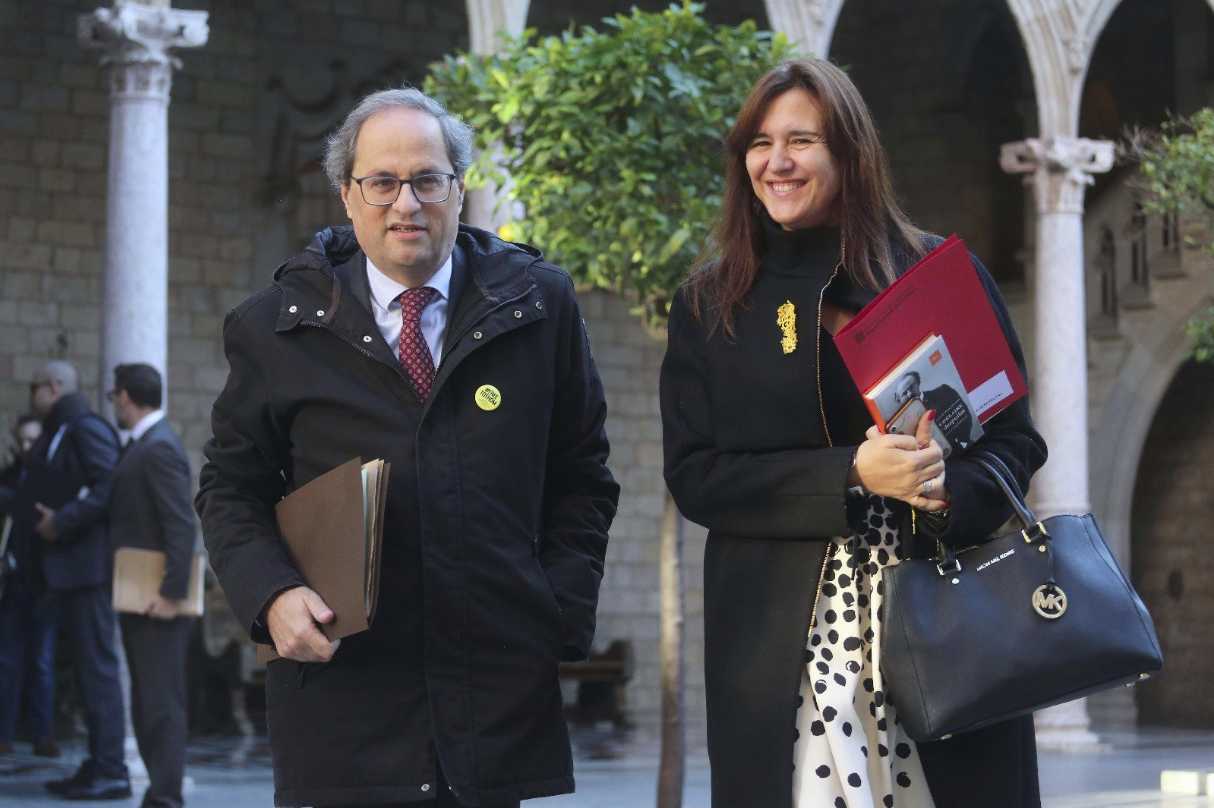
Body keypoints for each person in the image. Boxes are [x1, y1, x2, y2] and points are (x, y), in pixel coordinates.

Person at [195, 87, 619, 808]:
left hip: (492, 703)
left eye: (427, 180)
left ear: (459, 189)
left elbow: (582, 477)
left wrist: (555, 609)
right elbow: (229, 488)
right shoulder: (277, 328)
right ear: (347, 194)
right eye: (382, 183)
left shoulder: (539, 308)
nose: (406, 205)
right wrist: (271, 595)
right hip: (342, 701)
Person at [660, 59, 1047, 808]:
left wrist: (942, 485)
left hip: (944, 623)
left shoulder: (938, 271)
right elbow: (697, 475)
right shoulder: (708, 304)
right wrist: (851, 473)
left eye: (801, 139)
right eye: (759, 142)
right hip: (786, 646)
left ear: (849, 151)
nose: (776, 161)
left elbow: (1016, 442)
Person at [17, 361, 129, 799]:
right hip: (67, 573)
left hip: (88, 572)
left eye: (33, 388)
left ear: (53, 386)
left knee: (98, 671)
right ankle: (97, 762)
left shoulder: (84, 427)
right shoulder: (63, 428)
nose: (31, 397)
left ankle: (111, 770)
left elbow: (110, 487)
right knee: (86, 672)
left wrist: (62, 521)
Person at [107, 363, 198, 808]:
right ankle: (160, 794)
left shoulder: (157, 447)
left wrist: (171, 593)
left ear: (124, 396)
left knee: (160, 703)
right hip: (140, 595)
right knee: (148, 701)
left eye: (113, 396)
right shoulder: (148, 444)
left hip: (156, 599)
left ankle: (166, 797)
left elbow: (181, 526)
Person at [0, 414, 61, 759]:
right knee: (7, 660)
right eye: (21, 440)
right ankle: (4, 733)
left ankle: (42, 734)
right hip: (13, 582)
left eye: (32, 440)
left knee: (42, 660)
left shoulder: (51, 479)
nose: (27, 447)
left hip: (46, 584)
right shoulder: (10, 476)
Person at [892, 371, 976, 449]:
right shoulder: (903, 424)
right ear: (900, 400)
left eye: (911, 386)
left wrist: (962, 441)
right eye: (904, 393)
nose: (910, 393)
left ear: (918, 383)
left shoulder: (943, 392)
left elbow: (964, 415)